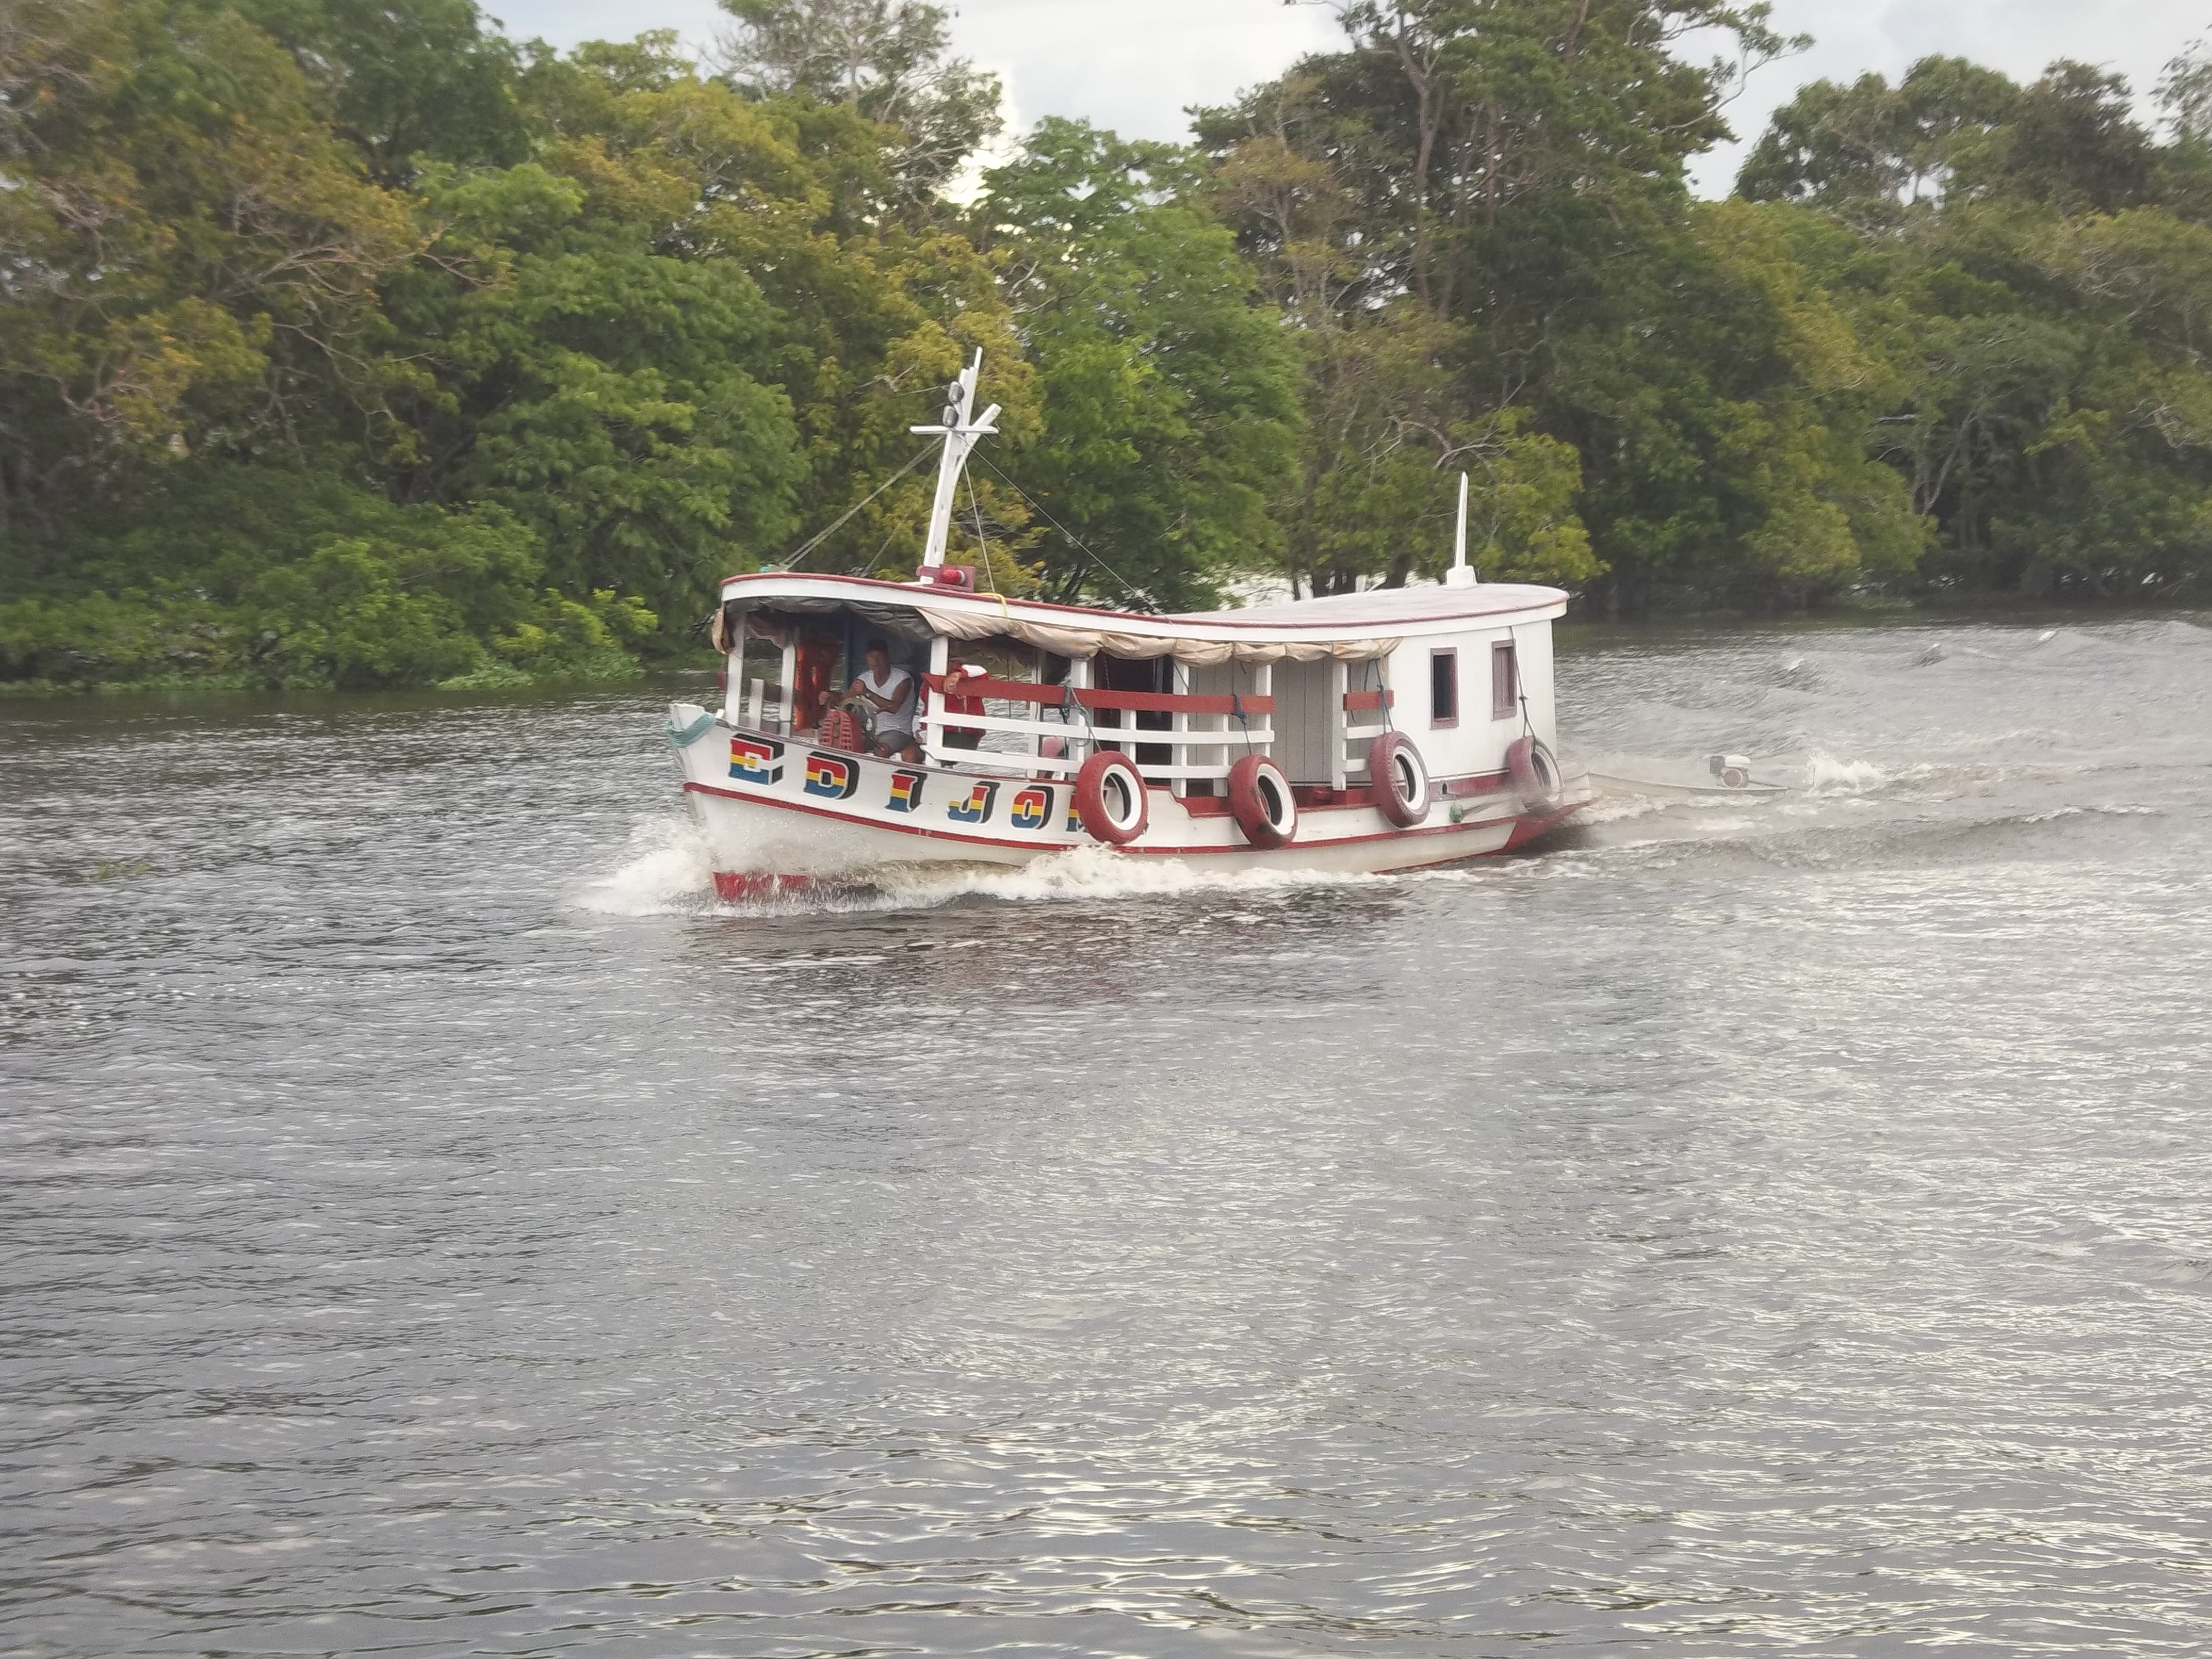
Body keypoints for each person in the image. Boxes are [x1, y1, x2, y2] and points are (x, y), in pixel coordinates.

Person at [847, 639, 920, 762]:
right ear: (866, 658)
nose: (875, 661)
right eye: (872, 657)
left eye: (879, 657)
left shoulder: (903, 679)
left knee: (882, 751)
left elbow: (893, 707)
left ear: (887, 657)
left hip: (898, 731)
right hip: (872, 731)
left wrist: (867, 693)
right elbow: (845, 700)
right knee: (851, 745)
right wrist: (831, 696)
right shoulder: (863, 678)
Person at [939, 653, 987, 754]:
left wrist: (959, 674)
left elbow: (982, 672)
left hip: (968, 735)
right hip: (941, 732)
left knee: (947, 750)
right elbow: (922, 707)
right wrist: (920, 730)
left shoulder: (971, 677)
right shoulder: (933, 679)